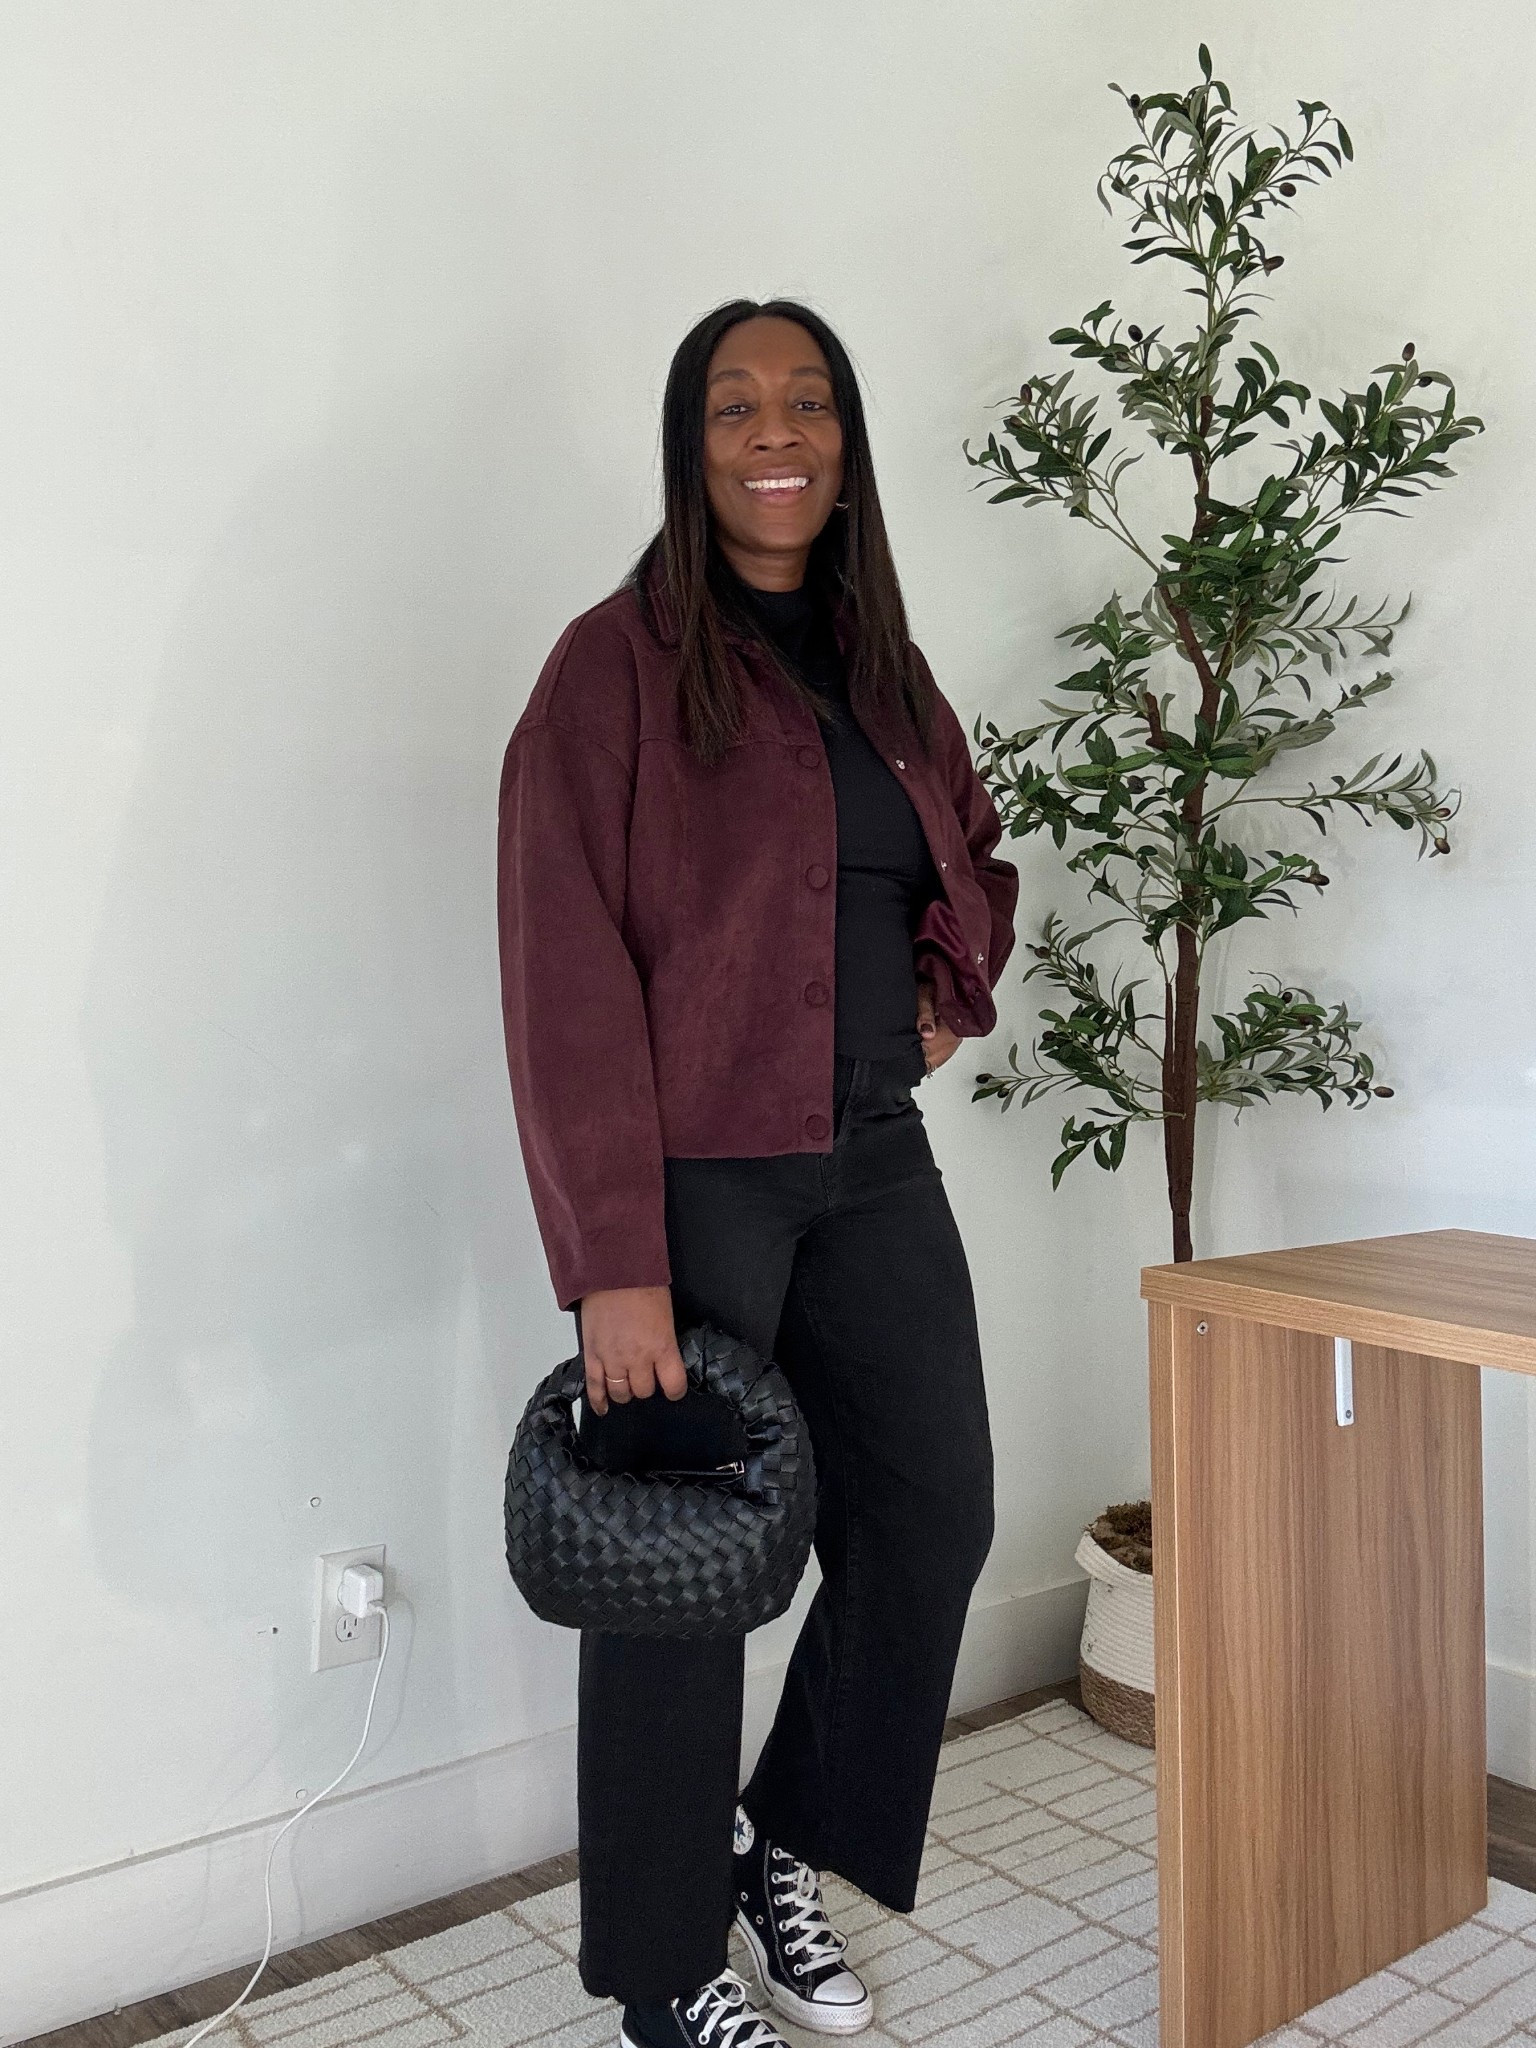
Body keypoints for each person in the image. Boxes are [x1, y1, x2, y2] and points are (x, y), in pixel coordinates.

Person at [497, 297, 1020, 2048]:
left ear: (847, 445)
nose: (774, 431)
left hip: (873, 1153)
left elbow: (974, 855)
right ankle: (659, 1974)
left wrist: (948, 988)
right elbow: (561, 962)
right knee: (679, 1570)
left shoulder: (888, 672)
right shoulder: (612, 668)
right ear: (692, 444)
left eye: (807, 402)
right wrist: (613, 1258)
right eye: (735, 406)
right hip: (693, 1182)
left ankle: (777, 1842)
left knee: (932, 1511)